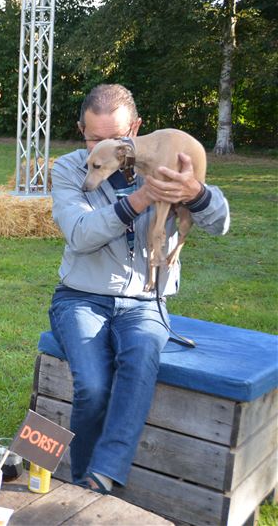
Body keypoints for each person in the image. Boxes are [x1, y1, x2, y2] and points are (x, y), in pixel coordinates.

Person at [48, 84, 230, 494]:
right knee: (92, 387)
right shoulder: (69, 169)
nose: (107, 146)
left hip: (145, 301)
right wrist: (142, 198)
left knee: (141, 356)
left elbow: (220, 224)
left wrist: (197, 195)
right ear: (82, 131)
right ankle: (83, 481)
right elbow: (79, 234)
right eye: (95, 138)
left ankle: (98, 479)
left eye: (117, 137)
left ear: (137, 128)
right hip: (80, 298)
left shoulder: (169, 161)